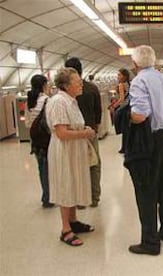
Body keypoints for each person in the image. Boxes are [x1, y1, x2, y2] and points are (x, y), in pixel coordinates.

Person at [127, 45, 163, 256]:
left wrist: (125, 116)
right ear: (154, 61)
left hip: (150, 139)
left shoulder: (139, 81)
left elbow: (140, 114)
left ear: (135, 64)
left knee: (147, 188)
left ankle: (149, 242)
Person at [46, 68, 96, 246]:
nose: (81, 84)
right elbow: (62, 133)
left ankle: (73, 221)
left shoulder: (71, 101)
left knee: (73, 183)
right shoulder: (59, 101)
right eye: (77, 82)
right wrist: (85, 133)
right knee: (66, 185)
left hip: (74, 150)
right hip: (64, 150)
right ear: (66, 85)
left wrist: (84, 132)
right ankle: (65, 229)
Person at [65, 57, 102, 207]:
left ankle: (80, 199)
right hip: (90, 131)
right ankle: (94, 197)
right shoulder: (92, 88)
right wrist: (95, 128)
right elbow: (98, 111)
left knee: (76, 166)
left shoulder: (66, 92)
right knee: (94, 163)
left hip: (73, 134)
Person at [25, 74, 54, 208]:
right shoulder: (46, 100)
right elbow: (50, 122)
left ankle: (46, 195)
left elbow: (27, 123)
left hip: (35, 140)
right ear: (44, 85)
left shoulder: (29, 101)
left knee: (41, 168)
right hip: (46, 140)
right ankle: (48, 198)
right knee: (47, 168)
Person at [111, 68, 130, 153]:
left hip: (123, 108)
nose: (118, 76)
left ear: (124, 76)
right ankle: (126, 147)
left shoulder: (121, 85)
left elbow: (122, 98)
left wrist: (115, 105)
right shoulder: (128, 84)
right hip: (128, 107)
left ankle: (124, 148)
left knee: (123, 128)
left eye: (119, 75)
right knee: (127, 129)